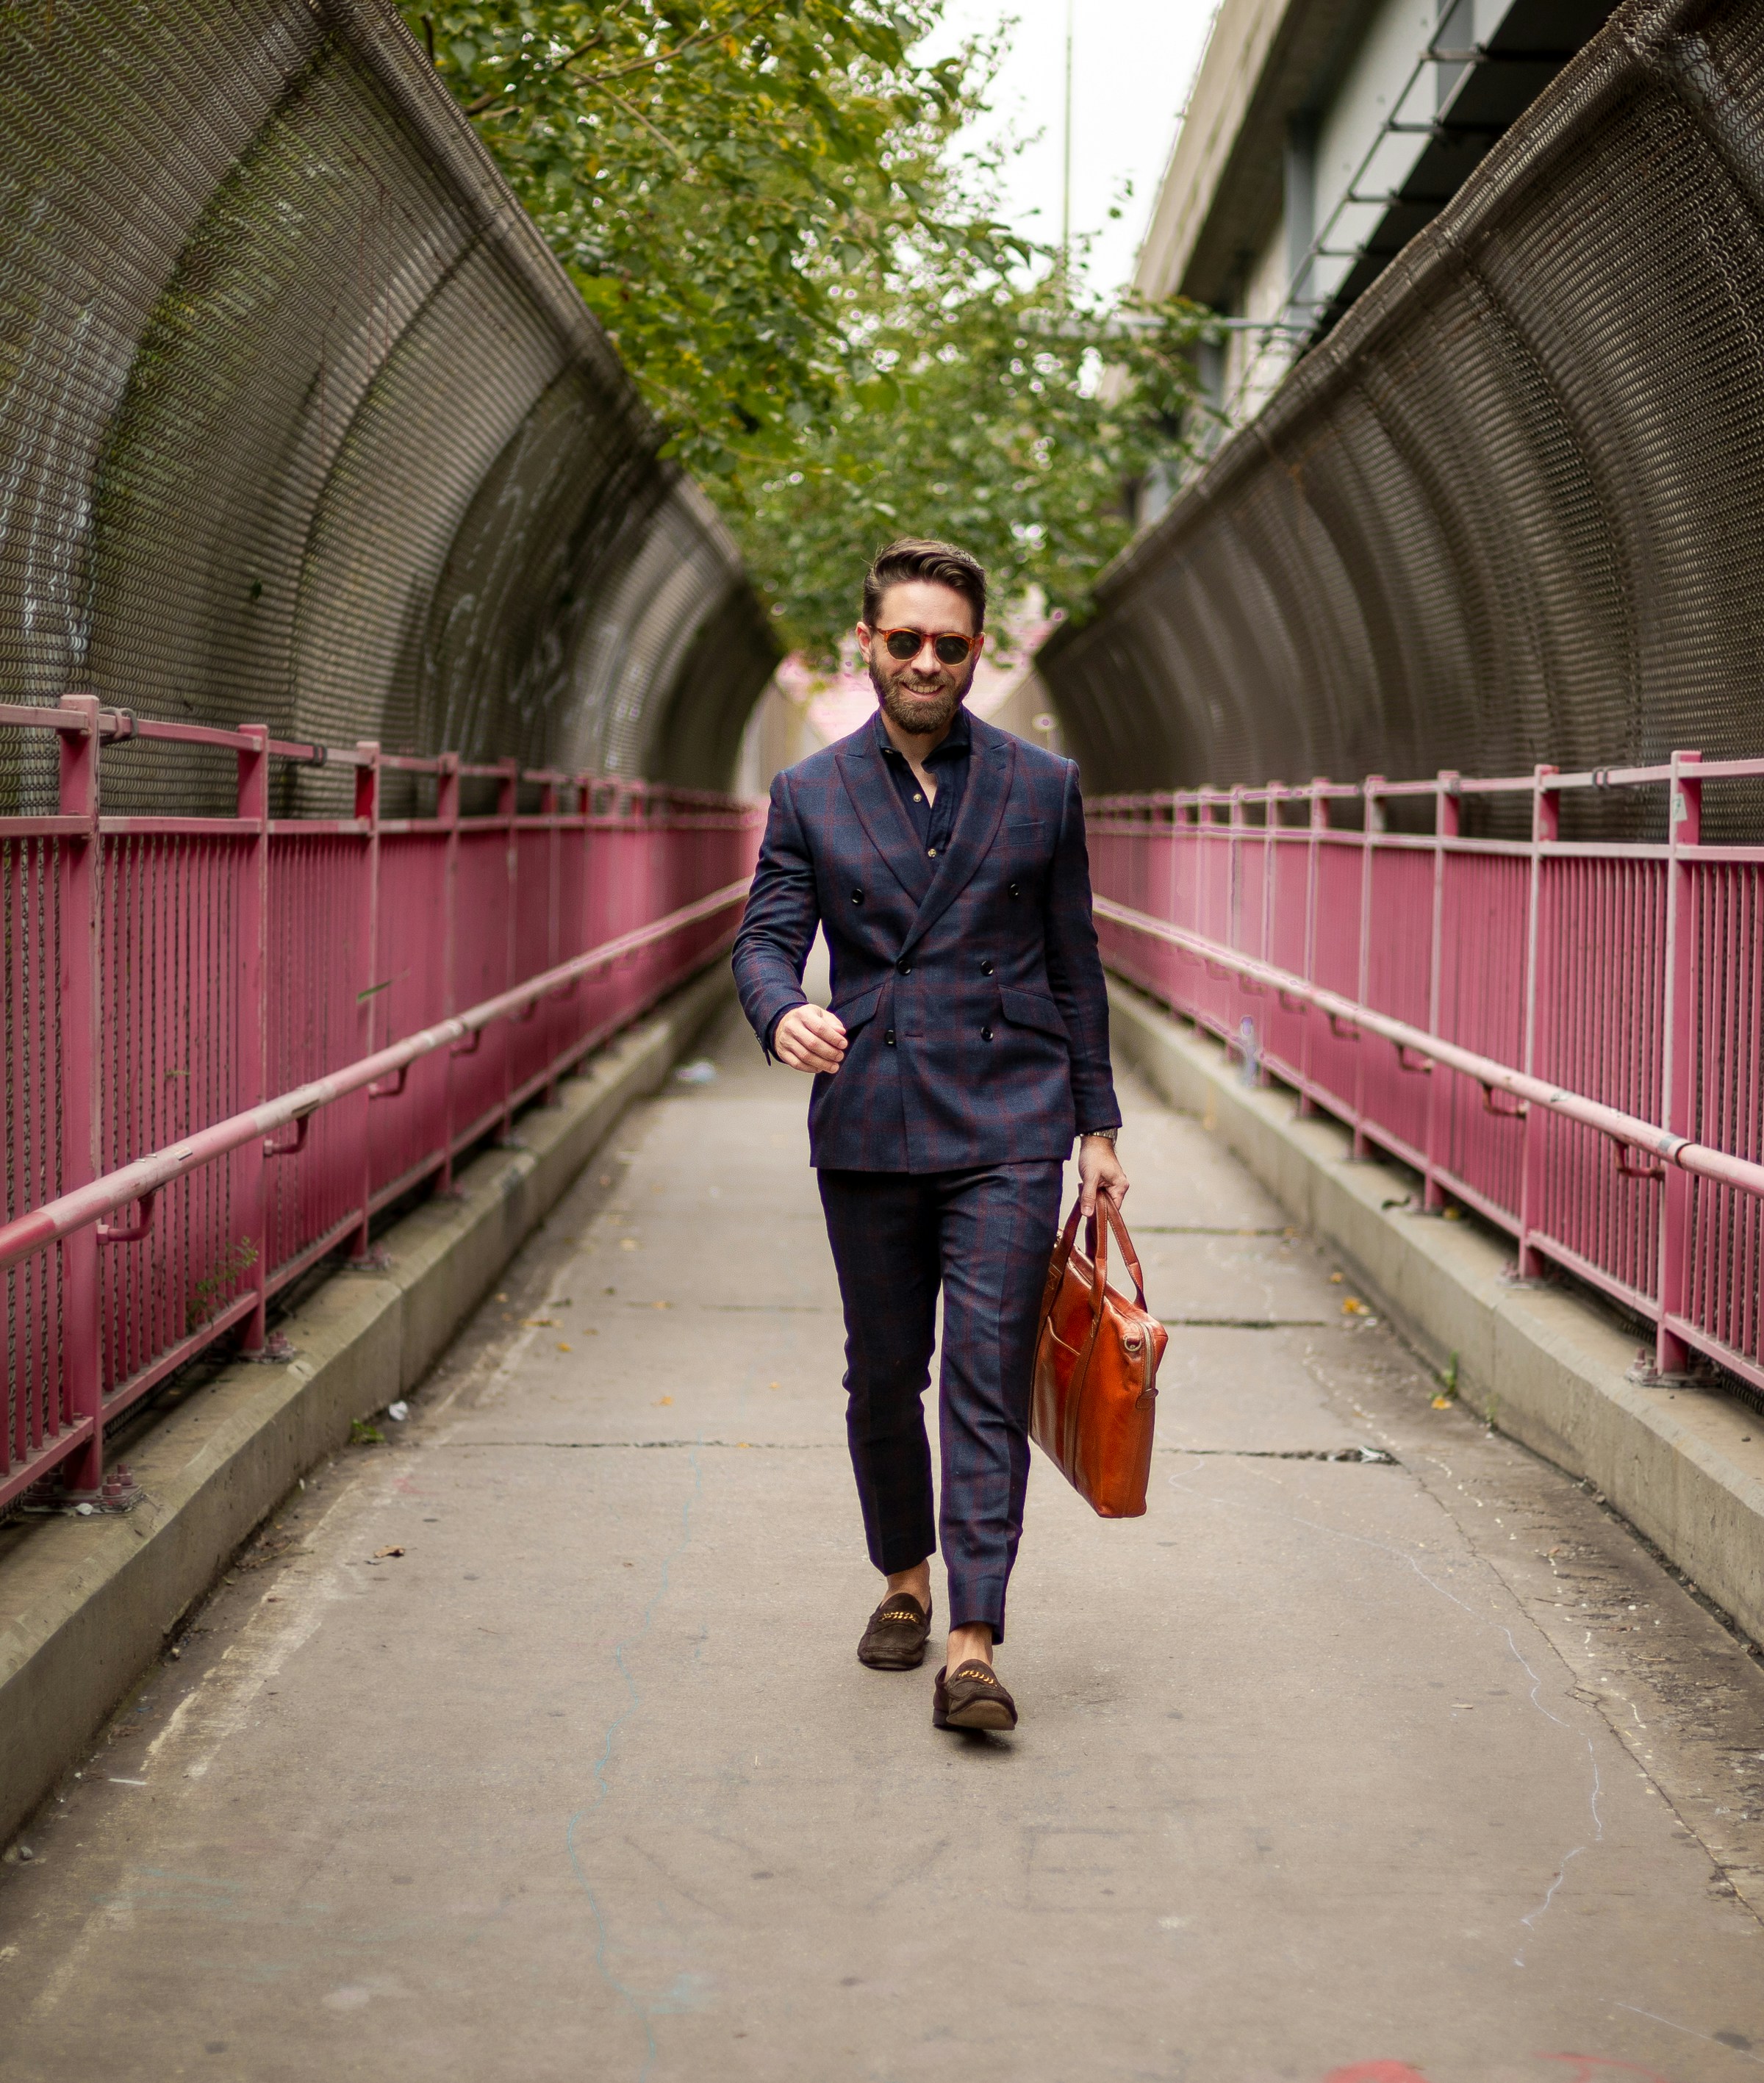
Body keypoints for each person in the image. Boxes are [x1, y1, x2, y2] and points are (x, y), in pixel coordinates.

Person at [731, 538, 1127, 1734]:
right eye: (904, 639)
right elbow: (763, 939)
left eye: (949, 644)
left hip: (1011, 1114)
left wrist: (1096, 1125)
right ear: (868, 643)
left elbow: (1076, 963)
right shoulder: (810, 794)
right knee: (882, 1373)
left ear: (976, 651)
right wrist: (784, 1007)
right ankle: (902, 1578)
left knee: (986, 1373)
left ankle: (973, 1638)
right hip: (870, 1111)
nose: (925, 661)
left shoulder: (1041, 785)